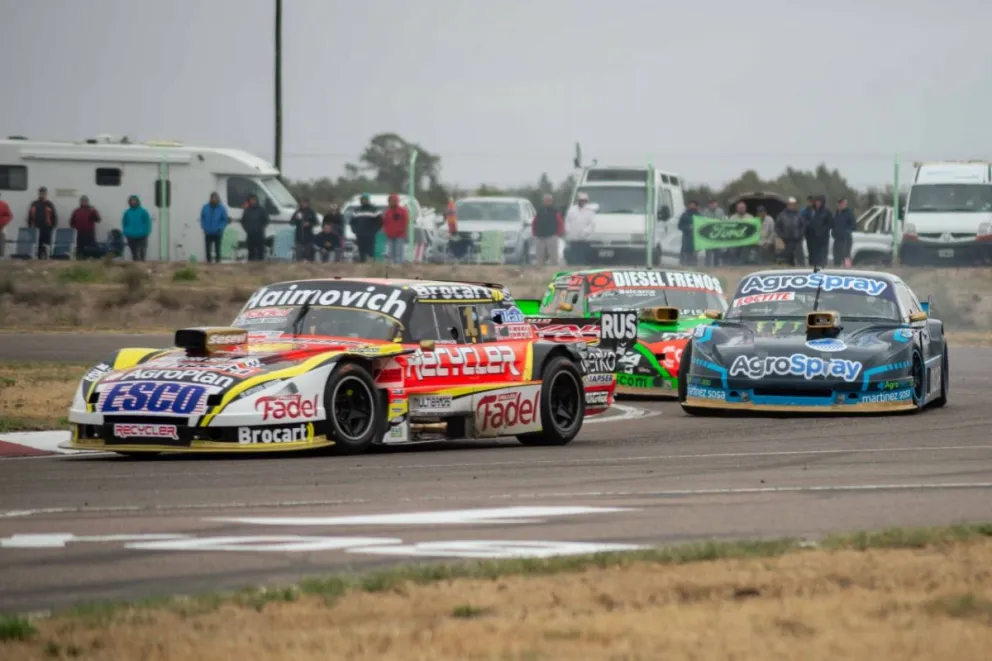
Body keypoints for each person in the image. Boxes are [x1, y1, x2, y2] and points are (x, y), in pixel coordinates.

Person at [349, 193, 383, 263]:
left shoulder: (374, 210)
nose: (364, 201)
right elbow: (352, 222)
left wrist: (375, 230)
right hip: (360, 234)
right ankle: (362, 264)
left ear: (368, 200)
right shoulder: (357, 210)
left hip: (370, 234)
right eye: (362, 199)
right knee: (361, 250)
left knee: (371, 251)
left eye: (365, 199)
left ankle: (371, 265)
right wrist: (354, 230)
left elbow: (380, 222)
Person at [565, 192, 596, 265]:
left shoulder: (590, 211)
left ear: (586, 201)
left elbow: (592, 224)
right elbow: (567, 221)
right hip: (573, 237)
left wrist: (586, 232)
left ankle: (582, 266)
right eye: (581, 200)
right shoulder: (572, 210)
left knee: (582, 256)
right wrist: (568, 230)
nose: (582, 202)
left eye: (584, 200)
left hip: (584, 238)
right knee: (574, 254)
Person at [532, 194, 563, 267]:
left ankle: (553, 270)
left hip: (551, 236)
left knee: (553, 256)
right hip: (539, 236)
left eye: (548, 200)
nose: (547, 202)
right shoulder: (540, 210)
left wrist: (558, 233)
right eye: (545, 200)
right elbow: (535, 222)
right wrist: (534, 232)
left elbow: (560, 223)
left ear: (551, 201)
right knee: (539, 256)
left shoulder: (555, 211)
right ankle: (540, 271)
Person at [27, 186, 58, 258]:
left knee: (47, 246)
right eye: (41, 193)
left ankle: (47, 258)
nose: (42, 194)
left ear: (46, 194)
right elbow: (30, 217)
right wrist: (30, 227)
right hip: (36, 228)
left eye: (44, 193)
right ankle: (38, 258)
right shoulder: (34, 204)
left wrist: (53, 227)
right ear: (39, 194)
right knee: (38, 246)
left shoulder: (49, 204)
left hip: (47, 229)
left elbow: (54, 217)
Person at [775, 197, 805, 266]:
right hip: (786, 240)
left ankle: (801, 268)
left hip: (797, 239)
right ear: (788, 205)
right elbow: (777, 227)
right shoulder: (782, 215)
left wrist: (801, 234)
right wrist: (781, 235)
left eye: (794, 204)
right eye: (791, 204)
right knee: (788, 257)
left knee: (800, 257)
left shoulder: (799, 214)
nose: (793, 206)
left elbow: (803, 226)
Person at [199, 192, 229, 264]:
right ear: (210, 198)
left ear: (218, 198)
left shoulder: (221, 208)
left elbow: (224, 220)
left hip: (218, 232)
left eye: (215, 198)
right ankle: (208, 262)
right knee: (208, 249)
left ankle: (218, 263)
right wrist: (204, 227)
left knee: (217, 249)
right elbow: (202, 218)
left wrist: (220, 228)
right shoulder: (205, 207)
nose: (214, 199)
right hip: (208, 232)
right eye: (212, 198)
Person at [121, 194, 152, 261]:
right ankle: (136, 267)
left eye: (134, 201)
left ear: (137, 201)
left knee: (142, 253)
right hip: (131, 236)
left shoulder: (143, 211)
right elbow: (124, 223)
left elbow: (148, 222)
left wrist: (147, 231)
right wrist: (126, 231)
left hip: (142, 235)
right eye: (131, 201)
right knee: (134, 254)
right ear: (129, 202)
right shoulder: (127, 212)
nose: (133, 202)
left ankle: (142, 266)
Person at [241, 193, 270, 261]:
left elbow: (267, 220)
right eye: (251, 200)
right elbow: (243, 221)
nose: (253, 201)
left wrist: (261, 227)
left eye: (254, 200)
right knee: (251, 253)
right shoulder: (247, 210)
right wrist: (247, 229)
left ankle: (261, 269)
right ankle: (250, 269)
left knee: (260, 254)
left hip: (259, 234)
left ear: (257, 200)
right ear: (249, 201)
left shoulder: (262, 210)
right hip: (250, 234)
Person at [382, 193, 410, 264]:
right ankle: (392, 266)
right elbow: (384, 222)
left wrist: (404, 231)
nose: (391, 202)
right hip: (390, 235)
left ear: (396, 201)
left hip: (399, 235)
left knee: (399, 252)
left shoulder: (402, 211)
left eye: (393, 200)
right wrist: (385, 231)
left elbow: (406, 221)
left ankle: (399, 266)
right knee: (391, 252)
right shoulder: (387, 211)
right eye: (390, 201)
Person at [806, 195, 833, 267]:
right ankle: (812, 268)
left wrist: (822, 231)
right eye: (816, 202)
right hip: (812, 238)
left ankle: (822, 268)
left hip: (823, 238)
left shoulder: (827, 212)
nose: (817, 203)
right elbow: (806, 221)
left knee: (822, 256)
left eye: (819, 202)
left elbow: (830, 224)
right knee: (812, 256)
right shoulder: (811, 211)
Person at [290, 197, 318, 262]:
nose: (303, 204)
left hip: (308, 237)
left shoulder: (311, 212)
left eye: (305, 203)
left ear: (308, 203)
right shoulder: (297, 212)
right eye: (302, 203)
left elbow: (316, 222)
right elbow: (291, 222)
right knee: (298, 256)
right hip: (299, 237)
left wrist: (309, 224)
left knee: (308, 255)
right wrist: (296, 219)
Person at [832, 197, 856, 267]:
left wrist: (846, 232)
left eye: (843, 204)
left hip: (846, 239)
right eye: (839, 204)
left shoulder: (849, 213)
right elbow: (833, 225)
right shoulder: (836, 214)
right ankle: (836, 270)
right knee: (836, 257)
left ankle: (848, 269)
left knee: (846, 256)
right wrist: (833, 233)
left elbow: (853, 226)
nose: (841, 205)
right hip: (837, 239)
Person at [678, 200, 699, 266]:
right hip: (686, 237)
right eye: (690, 204)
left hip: (695, 238)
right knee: (685, 253)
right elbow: (679, 226)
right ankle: (684, 265)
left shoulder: (699, 215)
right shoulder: (684, 215)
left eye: (693, 205)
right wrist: (687, 228)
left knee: (694, 254)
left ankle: (694, 266)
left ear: (696, 206)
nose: (691, 206)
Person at [0, 192, 12, 258]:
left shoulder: (4, 205)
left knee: (0, 248)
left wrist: (2, 224)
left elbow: (9, 216)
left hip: (1, 229)